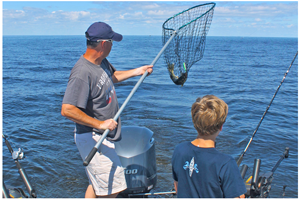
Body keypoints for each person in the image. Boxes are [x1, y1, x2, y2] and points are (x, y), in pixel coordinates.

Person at [61, 22, 153, 198]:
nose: (113, 45)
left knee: (96, 185)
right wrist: (100, 124)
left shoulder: (100, 62)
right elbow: (67, 109)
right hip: (93, 137)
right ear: (104, 44)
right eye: (112, 41)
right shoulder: (81, 72)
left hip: (102, 136)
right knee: (113, 189)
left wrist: (138, 71)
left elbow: (113, 77)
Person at [171, 95, 247, 198]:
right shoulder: (226, 163)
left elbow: (178, 188)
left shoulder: (179, 150)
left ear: (195, 122)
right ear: (221, 127)